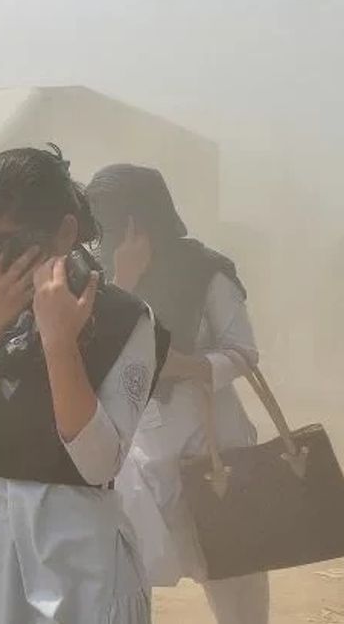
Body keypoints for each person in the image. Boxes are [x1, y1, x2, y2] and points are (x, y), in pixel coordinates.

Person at [0, 147, 169, 624]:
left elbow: (97, 461)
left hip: (80, 562)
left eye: (15, 243)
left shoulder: (123, 320)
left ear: (64, 232)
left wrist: (60, 343)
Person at [86, 164, 268, 624]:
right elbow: (84, 357)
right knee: (126, 581)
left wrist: (186, 366)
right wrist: (123, 282)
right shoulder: (97, 278)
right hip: (138, 456)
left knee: (234, 581)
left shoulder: (205, 271)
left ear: (138, 219)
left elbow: (244, 353)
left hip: (212, 448)